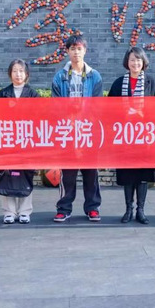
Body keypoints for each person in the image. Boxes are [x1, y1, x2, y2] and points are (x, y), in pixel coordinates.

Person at [51, 35, 104, 223]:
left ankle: (93, 208)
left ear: (85, 51)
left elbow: (97, 105)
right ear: (67, 51)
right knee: (68, 174)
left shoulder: (94, 76)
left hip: (88, 130)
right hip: (67, 131)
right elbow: (56, 105)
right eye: (72, 49)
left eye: (79, 49)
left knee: (91, 173)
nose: (76, 52)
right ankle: (64, 208)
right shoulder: (59, 76)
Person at [108, 46, 155, 225]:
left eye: (138, 60)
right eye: (132, 60)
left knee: (143, 175)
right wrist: (124, 115)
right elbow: (108, 108)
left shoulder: (152, 83)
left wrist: (144, 114)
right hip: (125, 137)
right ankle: (128, 209)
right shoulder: (118, 83)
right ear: (127, 62)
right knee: (128, 174)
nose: (135, 63)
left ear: (143, 62)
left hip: (145, 137)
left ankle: (141, 210)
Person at [0, 59, 39, 224]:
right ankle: (9, 211)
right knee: (7, 174)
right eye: (15, 71)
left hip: (27, 140)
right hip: (7, 139)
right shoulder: (2, 94)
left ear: (26, 74)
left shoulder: (34, 95)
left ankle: (25, 211)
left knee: (26, 175)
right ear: (10, 73)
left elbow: (38, 118)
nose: (18, 74)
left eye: (21, 71)